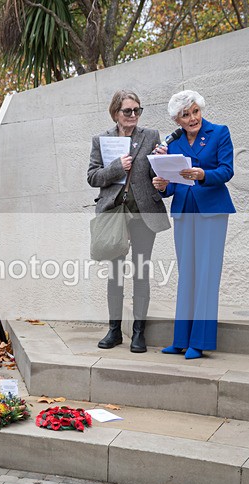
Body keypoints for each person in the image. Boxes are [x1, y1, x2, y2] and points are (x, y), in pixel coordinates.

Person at [152, 90, 235, 360]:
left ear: (201, 109)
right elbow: (172, 185)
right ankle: (181, 339)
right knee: (187, 274)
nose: (192, 118)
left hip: (212, 211)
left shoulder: (219, 132)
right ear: (177, 120)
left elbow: (226, 170)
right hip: (184, 211)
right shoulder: (173, 143)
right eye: (185, 115)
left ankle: (199, 342)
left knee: (207, 275)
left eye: (195, 111)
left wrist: (203, 175)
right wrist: (163, 185)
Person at [87, 90, 171, 352]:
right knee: (115, 276)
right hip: (115, 216)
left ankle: (138, 333)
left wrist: (162, 160)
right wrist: (115, 168)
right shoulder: (101, 139)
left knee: (141, 274)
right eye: (128, 111)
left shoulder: (151, 136)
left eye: (137, 110)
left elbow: (159, 175)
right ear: (115, 113)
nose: (133, 115)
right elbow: (92, 177)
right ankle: (114, 331)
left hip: (144, 215)